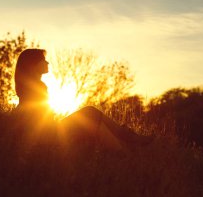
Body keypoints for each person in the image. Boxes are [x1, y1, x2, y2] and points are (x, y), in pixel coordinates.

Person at [14, 48, 152, 150]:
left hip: (49, 132)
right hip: (49, 136)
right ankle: (125, 150)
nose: (47, 62)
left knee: (91, 114)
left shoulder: (30, 85)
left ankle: (126, 144)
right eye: (43, 60)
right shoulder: (36, 86)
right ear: (33, 63)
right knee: (90, 114)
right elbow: (38, 118)